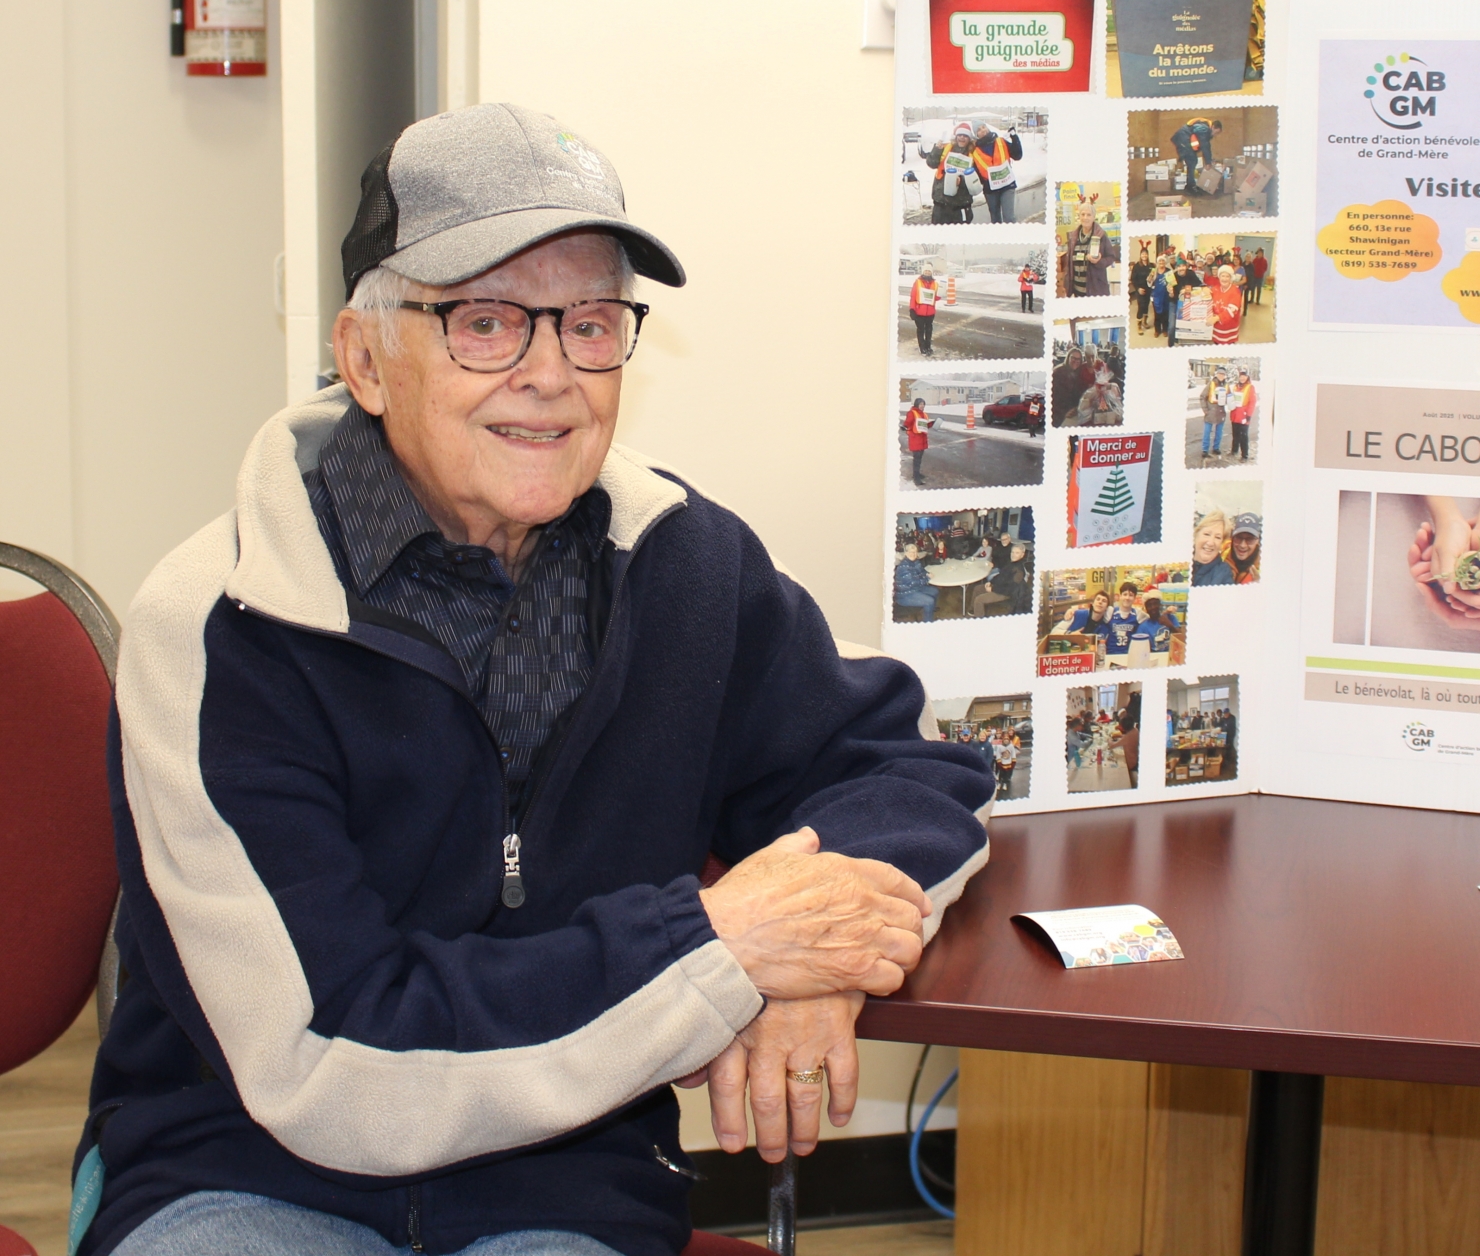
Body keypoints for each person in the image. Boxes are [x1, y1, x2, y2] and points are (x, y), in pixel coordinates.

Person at [82, 103, 991, 1256]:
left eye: (591, 323)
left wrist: (816, 959)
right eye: (486, 322)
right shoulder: (223, 624)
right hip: (246, 1169)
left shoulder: (682, 563)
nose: (552, 374)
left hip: (565, 1184)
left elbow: (906, 769)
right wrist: (716, 947)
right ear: (364, 358)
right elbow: (325, 1062)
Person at [1057, 199, 1119, 299]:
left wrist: (1099, 261)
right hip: (1077, 291)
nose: (1085, 217)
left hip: (1095, 289)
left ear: (1094, 217)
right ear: (1079, 216)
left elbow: (1111, 257)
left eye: (1089, 215)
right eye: (1083, 214)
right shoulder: (1073, 237)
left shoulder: (1101, 235)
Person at [920, 121, 978, 224]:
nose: (962, 138)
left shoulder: (974, 153)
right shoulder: (945, 148)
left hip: (961, 203)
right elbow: (931, 163)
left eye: (965, 136)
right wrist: (937, 150)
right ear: (956, 137)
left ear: (969, 138)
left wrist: (962, 181)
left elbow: (976, 176)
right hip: (941, 201)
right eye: (960, 135)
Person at [970, 119, 1025, 223]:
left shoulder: (1001, 141)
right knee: (995, 220)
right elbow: (977, 174)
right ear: (976, 135)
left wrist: (1014, 137)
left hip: (1007, 185)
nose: (983, 130)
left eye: (983, 127)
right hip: (990, 190)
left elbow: (1017, 155)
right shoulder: (975, 152)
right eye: (979, 130)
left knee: (1009, 218)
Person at [894, 543, 940, 621]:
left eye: (915, 552)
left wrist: (927, 573)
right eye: (910, 552)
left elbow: (921, 570)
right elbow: (913, 583)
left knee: (935, 591)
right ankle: (928, 622)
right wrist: (927, 578)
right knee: (930, 601)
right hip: (905, 595)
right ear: (906, 553)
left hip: (916, 588)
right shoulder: (903, 567)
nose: (913, 554)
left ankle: (930, 609)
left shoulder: (916, 561)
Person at [1103, 582, 1145, 665]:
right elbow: (1095, 614)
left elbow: (1153, 618)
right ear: (1120, 596)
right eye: (1125, 594)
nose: (1127, 598)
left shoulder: (1138, 614)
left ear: (1135, 598)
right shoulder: (1111, 612)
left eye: (1131, 595)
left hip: (1129, 656)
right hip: (1111, 655)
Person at [1051, 346, 1091, 428]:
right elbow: (1054, 397)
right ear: (1068, 357)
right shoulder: (1058, 372)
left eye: (1078, 359)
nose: (1076, 361)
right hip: (1059, 417)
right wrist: (1064, 412)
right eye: (1073, 358)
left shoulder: (1077, 373)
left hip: (1073, 413)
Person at [1192, 510, 1234, 585]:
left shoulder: (1224, 573)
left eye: (1218, 537)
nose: (1210, 543)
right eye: (1207, 534)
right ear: (1196, 535)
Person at [909, 266, 940, 357]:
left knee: (929, 331)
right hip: (919, 312)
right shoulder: (918, 282)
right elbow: (913, 296)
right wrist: (912, 309)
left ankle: (928, 346)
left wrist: (940, 295)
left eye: (929, 271)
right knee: (921, 330)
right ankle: (922, 348)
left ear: (931, 272)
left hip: (930, 312)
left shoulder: (935, 283)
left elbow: (935, 297)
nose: (927, 272)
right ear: (923, 271)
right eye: (926, 270)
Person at [1227, 368, 1257, 460]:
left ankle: (1244, 455)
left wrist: (1249, 415)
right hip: (1235, 415)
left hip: (1244, 416)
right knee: (1235, 434)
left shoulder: (1250, 387)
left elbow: (1252, 402)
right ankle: (1234, 450)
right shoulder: (1236, 386)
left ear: (1247, 377)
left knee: (1243, 436)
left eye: (1244, 376)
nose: (1242, 378)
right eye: (1241, 376)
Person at [1210, 263, 1244, 345]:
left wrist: (1217, 318)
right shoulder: (1215, 289)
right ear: (1219, 277)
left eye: (1227, 276)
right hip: (1217, 328)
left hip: (1229, 329)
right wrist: (1205, 290)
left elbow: (1232, 311)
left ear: (1231, 278)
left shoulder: (1235, 291)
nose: (1224, 279)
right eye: (1222, 276)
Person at [1198, 371, 1229, 460]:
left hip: (1221, 412)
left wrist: (1229, 402)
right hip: (1210, 412)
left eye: (1223, 374)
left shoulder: (1226, 385)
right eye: (1219, 374)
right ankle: (1205, 450)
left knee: (1219, 432)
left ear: (1225, 376)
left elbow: (1229, 397)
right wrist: (1205, 410)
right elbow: (1202, 397)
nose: (1221, 376)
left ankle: (1216, 448)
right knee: (1207, 432)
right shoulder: (1211, 384)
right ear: (1216, 375)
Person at [903, 396, 933, 485]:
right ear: (916, 404)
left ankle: (917, 474)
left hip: (922, 439)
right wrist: (905, 427)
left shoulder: (924, 414)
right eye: (920, 404)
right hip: (915, 439)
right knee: (916, 459)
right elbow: (907, 423)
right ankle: (916, 478)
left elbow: (924, 425)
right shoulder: (912, 413)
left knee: (919, 459)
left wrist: (931, 424)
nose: (922, 406)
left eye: (923, 404)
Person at [1227, 513, 1262, 583]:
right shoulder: (1221, 556)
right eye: (1238, 538)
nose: (1242, 545)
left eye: (1250, 539)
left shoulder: (1267, 569)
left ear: (1258, 541)